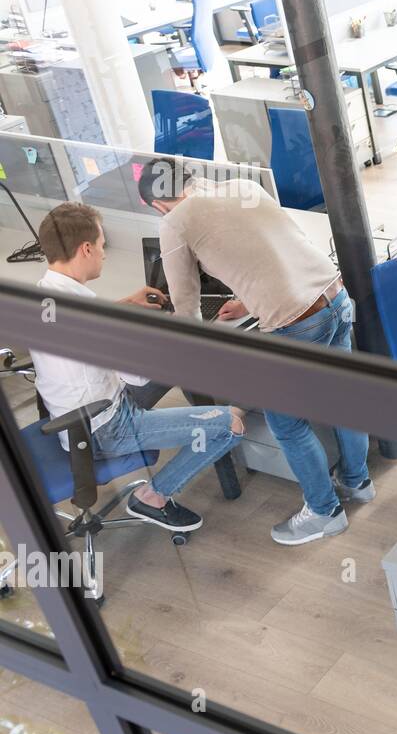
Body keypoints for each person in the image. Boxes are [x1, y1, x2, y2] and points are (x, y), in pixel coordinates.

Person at [137, 159, 373, 546]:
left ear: (157, 205)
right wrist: (248, 301)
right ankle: (357, 483)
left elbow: (185, 305)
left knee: (288, 424)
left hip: (294, 323)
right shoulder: (243, 186)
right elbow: (283, 248)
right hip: (334, 296)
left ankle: (324, 513)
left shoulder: (174, 222)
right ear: (191, 179)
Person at [27, 203, 245, 533]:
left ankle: (191, 427)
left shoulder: (43, 296)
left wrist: (128, 305)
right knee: (231, 423)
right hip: (105, 429)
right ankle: (152, 497)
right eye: (102, 245)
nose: (104, 253)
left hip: (70, 419)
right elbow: (138, 373)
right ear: (86, 248)